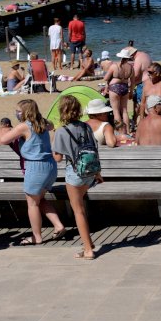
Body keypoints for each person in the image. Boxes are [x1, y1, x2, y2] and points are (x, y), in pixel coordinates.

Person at [0, 99, 67, 246]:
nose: (17, 113)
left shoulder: (24, 126)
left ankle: (37, 237)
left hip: (35, 167)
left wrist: (8, 130)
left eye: (18, 111)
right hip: (50, 166)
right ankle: (58, 225)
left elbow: (3, 140)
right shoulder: (42, 123)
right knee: (40, 199)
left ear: (25, 112)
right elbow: (52, 125)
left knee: (32, 203)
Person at [52, 95, 100, 260]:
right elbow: (94, 148)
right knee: (81, 207)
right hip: (90, 172)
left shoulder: (61, 131)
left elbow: (57, 158)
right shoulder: (86, 127)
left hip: (75, 172)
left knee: (78, 211)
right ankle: (89, 243)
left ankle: (88, 249)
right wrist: (98, 173)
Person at [103, 46, 137, 132]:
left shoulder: (115, 66)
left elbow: (106, 78)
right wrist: (131, 92)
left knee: (116, 111)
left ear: (121, 56)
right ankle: (128, 131)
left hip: (114, 88)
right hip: (125, 88)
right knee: (125, 110)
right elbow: (132, 82)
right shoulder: (131, 68)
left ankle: (120, 131)